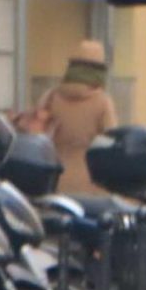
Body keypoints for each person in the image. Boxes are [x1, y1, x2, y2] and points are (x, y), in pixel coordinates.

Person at [35, 38, 121, 195]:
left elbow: (36, 136)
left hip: (53, 181)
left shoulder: (50, 97)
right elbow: (112, 144)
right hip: (92, 184)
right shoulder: (103, 102)